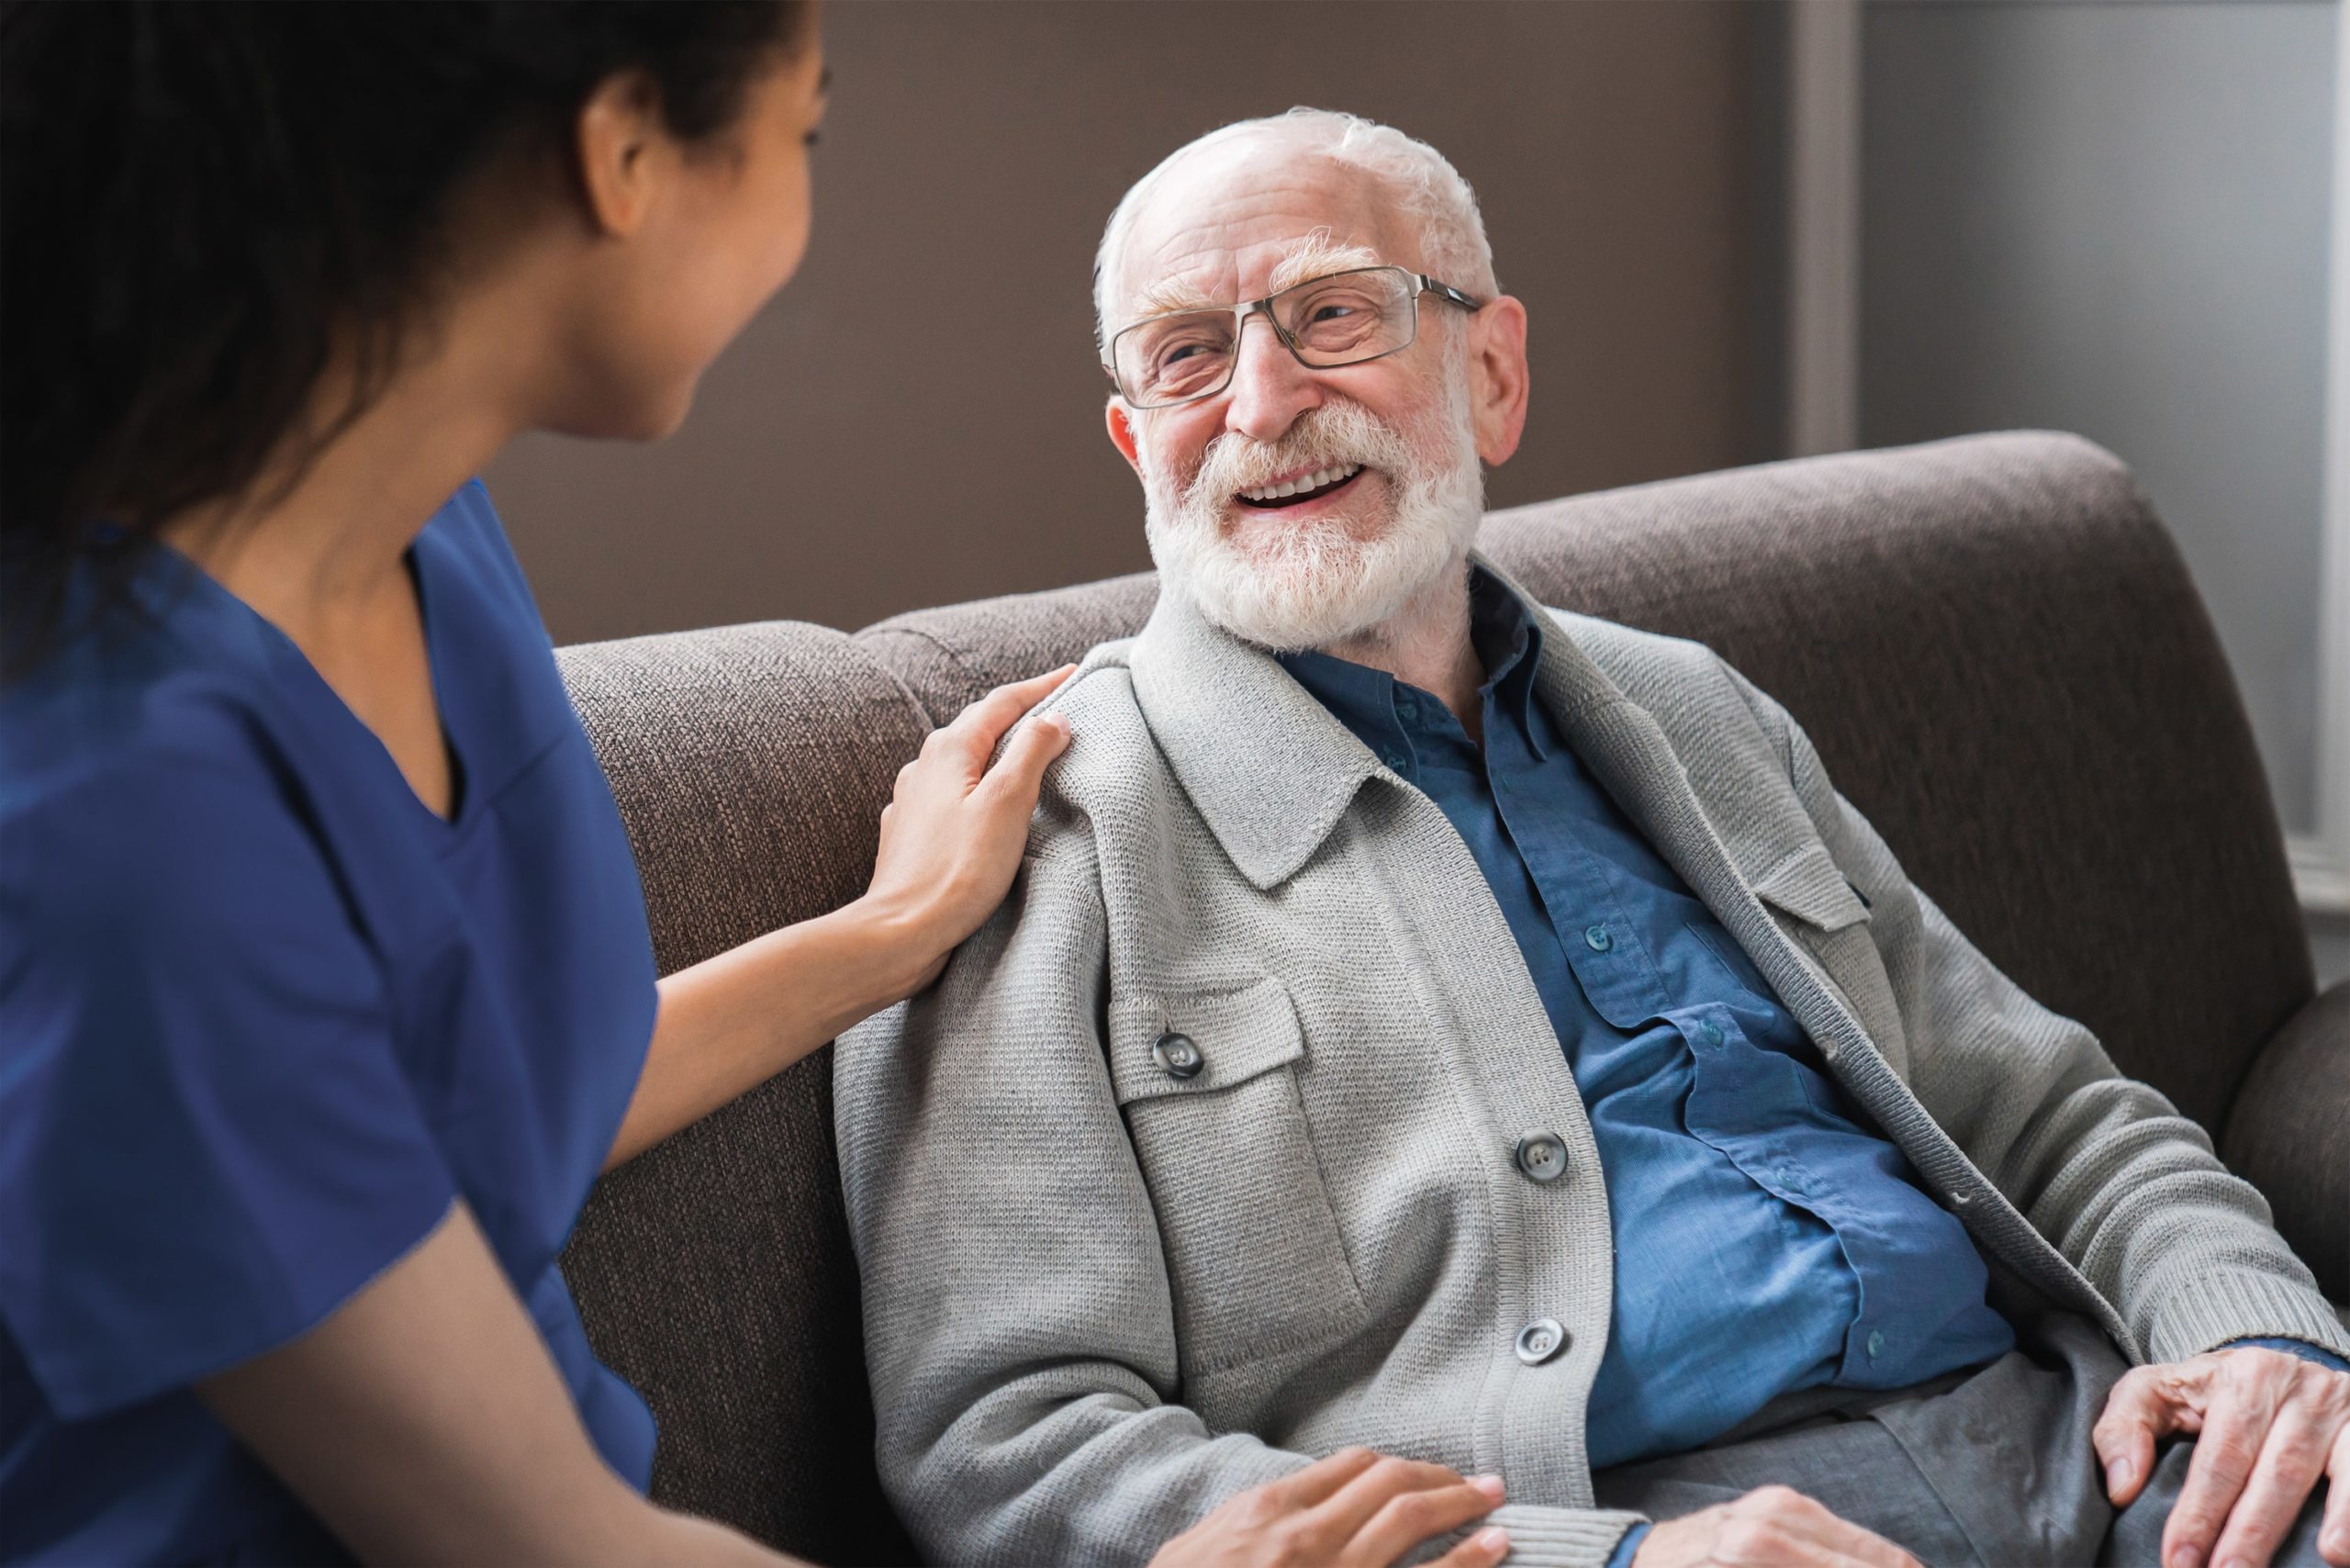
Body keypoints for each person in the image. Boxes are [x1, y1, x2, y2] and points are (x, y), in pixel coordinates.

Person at [1, 7, 1498, 1564]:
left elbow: (458, 1101)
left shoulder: (418, 527)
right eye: (806, 133)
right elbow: (547, 1543)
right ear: (628, 155)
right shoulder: (106, 803)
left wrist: (889, 935)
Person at [835, 107, 2350, 1568]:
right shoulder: (1038, 830)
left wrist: (2256, 1331)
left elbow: (2046, 1114)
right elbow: (1013, 1443)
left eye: (1332, 316)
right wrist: (1603, 1558)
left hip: (2097, 1453)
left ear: (1491, 371)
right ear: (1133, 440)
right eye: (1186, 355)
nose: (1259, 403)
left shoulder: (1692, 710)